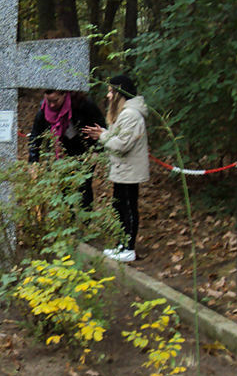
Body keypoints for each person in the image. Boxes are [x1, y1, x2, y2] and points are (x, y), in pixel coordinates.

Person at [83, 74, 149, 262]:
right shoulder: (123, 114)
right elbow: (116, 135)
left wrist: (102, 137)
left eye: (111, 91)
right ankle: (122, 244)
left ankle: (129, 247)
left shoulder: (131, 115)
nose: (108, 95)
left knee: (128, 206)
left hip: (130, 170)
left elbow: (121, 144)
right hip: (122, 170)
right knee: (119, 205)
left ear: (120, 93)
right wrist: (103, 133)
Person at [28, 89, 106, 209]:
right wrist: (33, 160)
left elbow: (101, 127)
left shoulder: (83, 104)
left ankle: (85, 220)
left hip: (84, 150)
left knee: (83, 186)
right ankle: (68, 218)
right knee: (63, 186)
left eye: (55, 101)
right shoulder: (44, 110)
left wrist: (96, 151)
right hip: (61, 151)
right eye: (49, 101)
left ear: (64, 95)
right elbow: (35, 135)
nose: (52, 105)